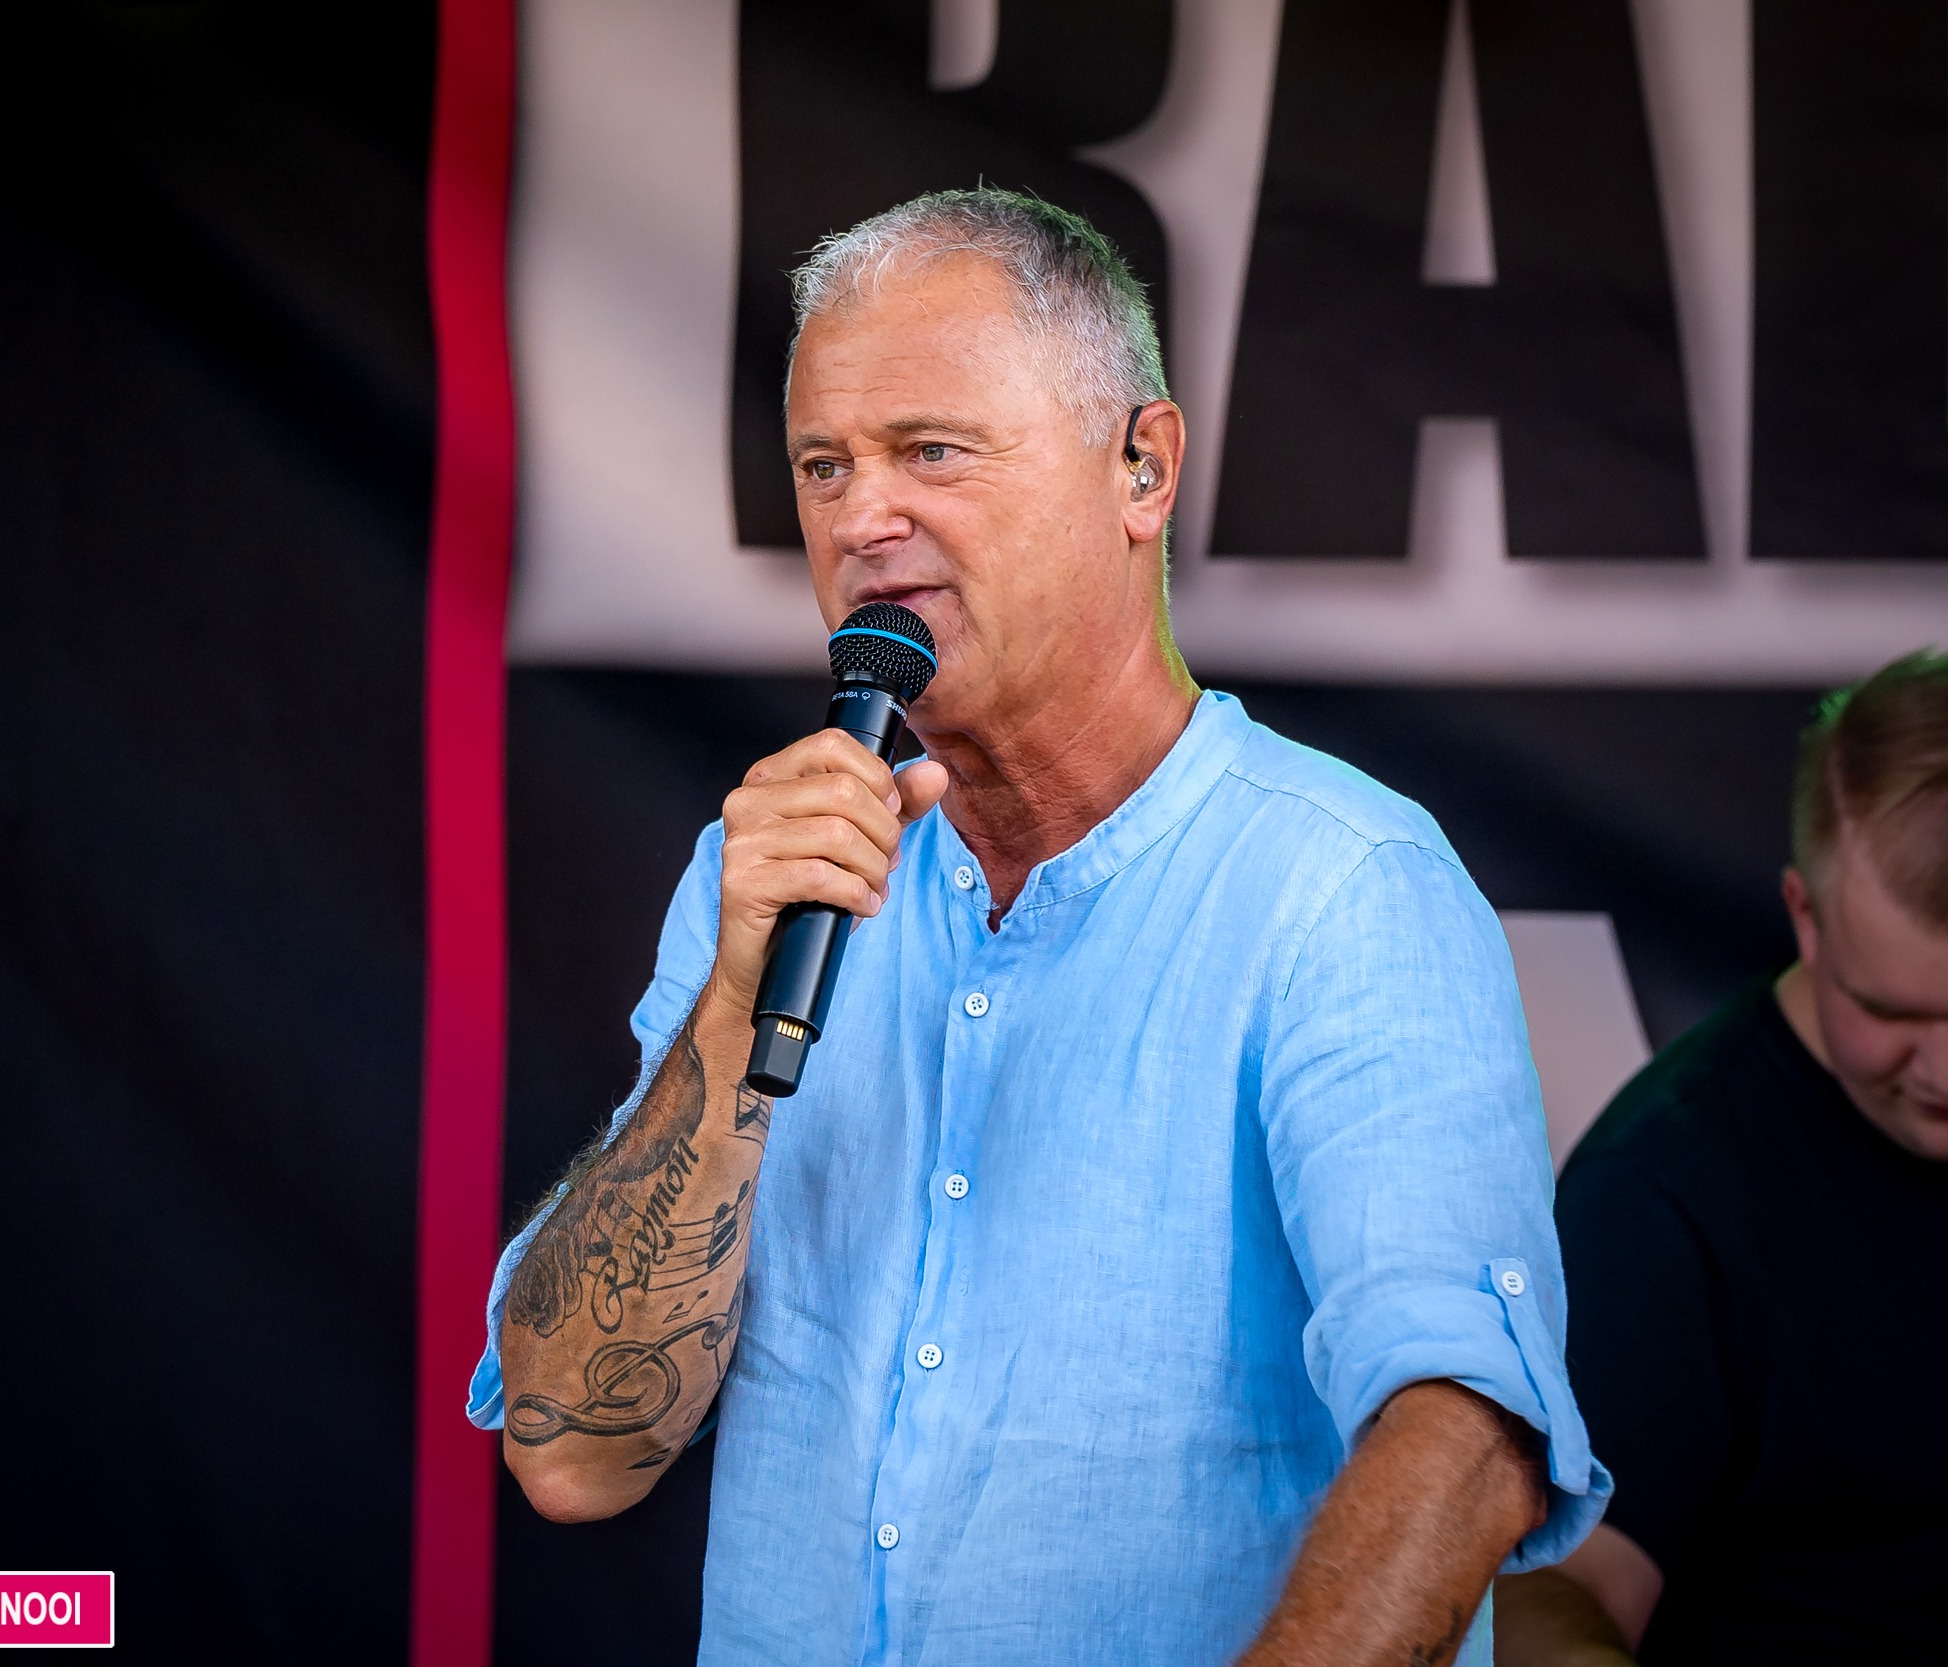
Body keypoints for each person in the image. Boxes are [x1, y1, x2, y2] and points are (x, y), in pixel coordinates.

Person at [469, 189, 1606, 1666]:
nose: (860, 518)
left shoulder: (1339, 886)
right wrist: (736, 1011)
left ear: (1143, 467)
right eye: (823, 464)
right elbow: (572, 1451)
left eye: (931, 449)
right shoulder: (764, 879)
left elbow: (1464, 1438)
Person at [1494, 650, 1948, 1665]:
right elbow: (1550, 1585)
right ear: (1806, 917)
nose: (1945, 1069)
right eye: (1892, 1011)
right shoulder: (1665, 1196)